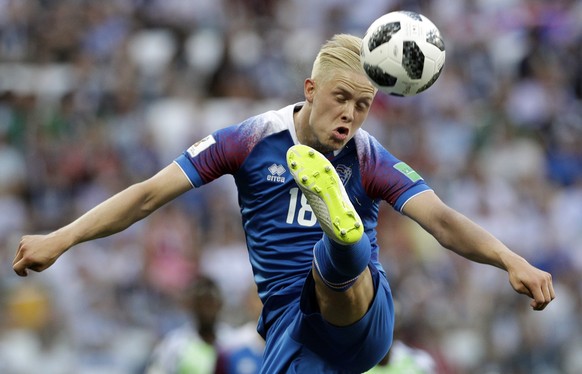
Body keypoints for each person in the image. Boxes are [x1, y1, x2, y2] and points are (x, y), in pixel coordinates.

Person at [13, 34, 555, 373]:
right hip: (292, 335)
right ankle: (338, 239)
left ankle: (340, 238)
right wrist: (60, 239)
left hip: (362, 315)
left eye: (363, 106)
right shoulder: (248, 139)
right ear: (310, 88)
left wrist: (514, 260)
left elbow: (440, 220)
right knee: (318, 284)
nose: (350, 115)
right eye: (340, 98)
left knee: (339, 258)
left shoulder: (369, 155)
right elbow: (148, 194)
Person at [145, 275, 229, 374]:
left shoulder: (231, 343)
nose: (206, 311)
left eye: (210, 304)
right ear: (191, 306)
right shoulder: (174, 345)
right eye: (201, 304)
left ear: (219, 305)